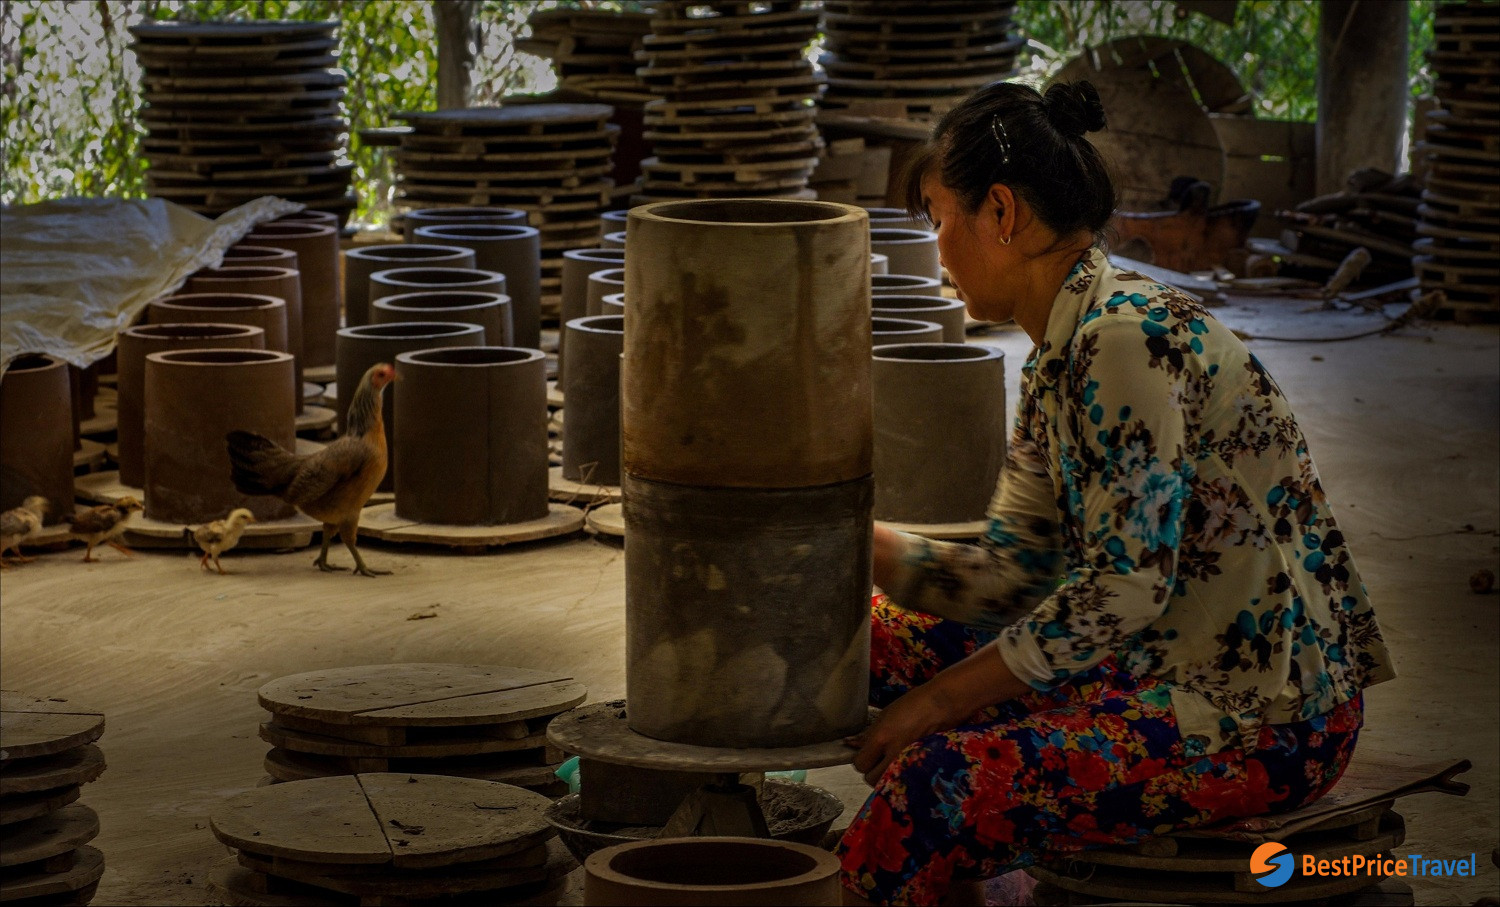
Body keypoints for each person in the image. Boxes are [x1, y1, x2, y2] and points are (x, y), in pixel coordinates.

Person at [836, 80, 1396, 907]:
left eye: (937, 216)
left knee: (935, 784)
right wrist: (849, 542)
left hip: (1263, 716)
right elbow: (1013, 577)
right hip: (1147, 660)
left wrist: (937, 705)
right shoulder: (1062, 349)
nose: (937, 246)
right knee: (869, 641)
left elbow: (1125, 587)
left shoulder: (1125, 340)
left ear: (1000, 213)